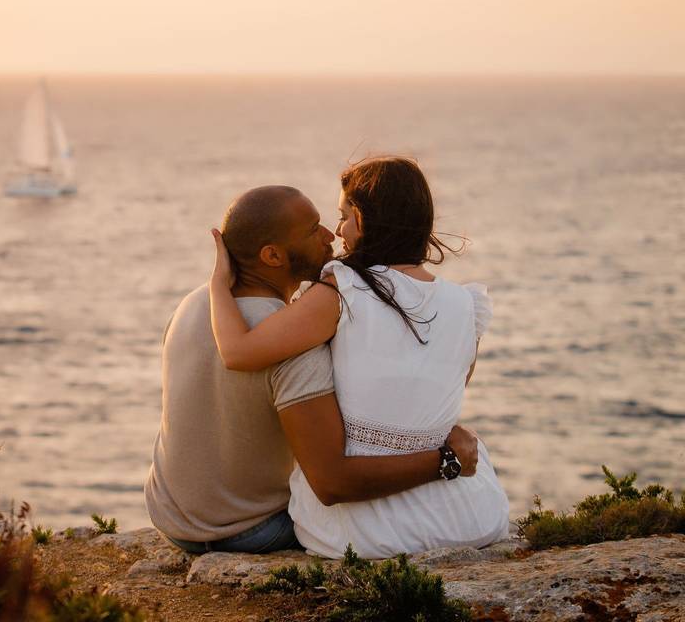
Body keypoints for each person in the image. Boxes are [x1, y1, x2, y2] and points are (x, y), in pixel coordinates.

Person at [144, 185, 481, 554]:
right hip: (249, 531)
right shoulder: (294, 346)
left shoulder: (194, 305)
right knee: (392, 520)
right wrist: (445, 461)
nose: (329, 237)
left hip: (171, 521)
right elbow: (333, 483)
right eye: (313, 229)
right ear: (272, 255)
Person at [208, 158, 510, 559]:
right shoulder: (466, 306)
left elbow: (238, 352)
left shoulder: (343, 290)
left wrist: (217, 284)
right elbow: (426, 408)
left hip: (364, 530)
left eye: (344, 216)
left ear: (366, 221)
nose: (338, 232)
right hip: (467, 516)